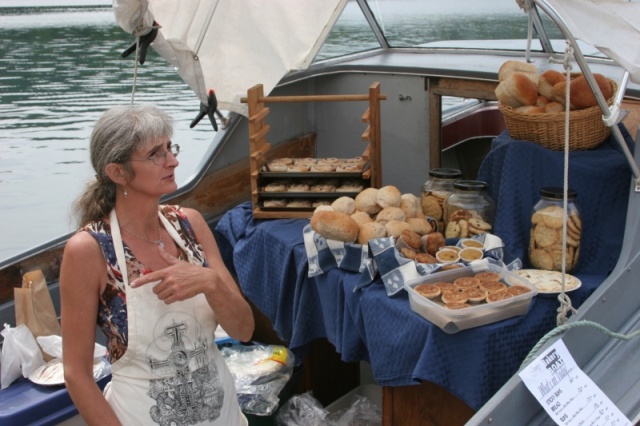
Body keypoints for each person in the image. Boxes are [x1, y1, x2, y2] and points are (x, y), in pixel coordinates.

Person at [60, 104, 254, 425]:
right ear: (117, 172)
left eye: (169, 148)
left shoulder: (190, 226)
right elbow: (76, 375)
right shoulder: (90, 250)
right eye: (155, 154)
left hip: (223, 416)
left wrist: (210, 282)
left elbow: (243, 330)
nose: (173, 161)